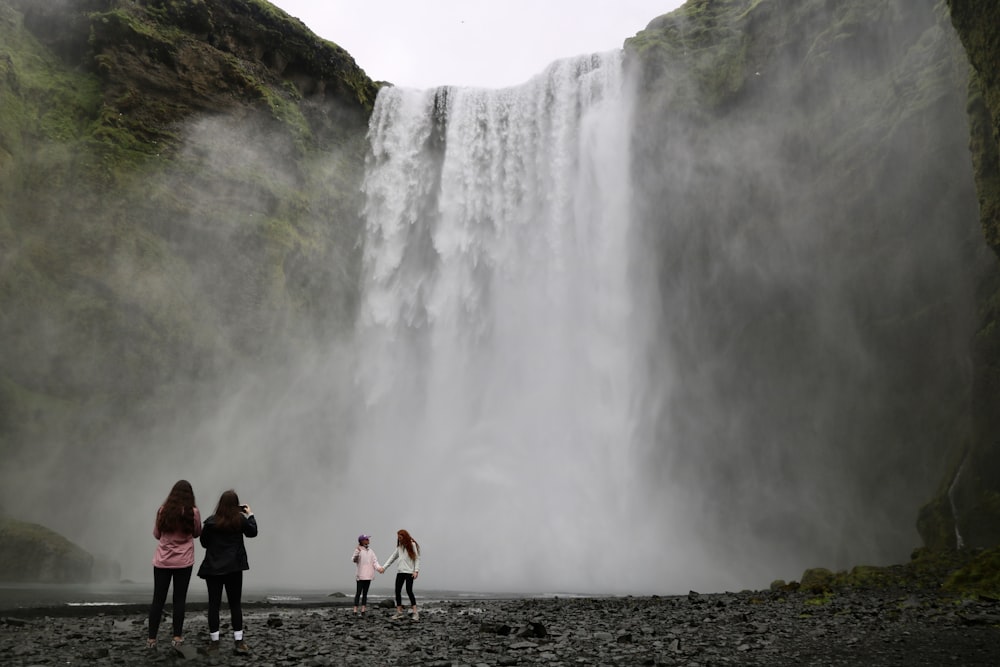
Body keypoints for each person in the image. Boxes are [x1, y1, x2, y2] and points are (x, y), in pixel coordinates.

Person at [197, 490, 258, 655]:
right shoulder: (239, 521)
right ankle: (239, 641)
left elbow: (203, 543)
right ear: (236, 506)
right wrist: (250, 514)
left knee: (213, 606)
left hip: (213, 569)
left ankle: (214, 643)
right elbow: (253, 532)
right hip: (234, 568)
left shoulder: (211, 522)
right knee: (235, 604)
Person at [147, 480, 201, 650]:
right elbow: (197, 532)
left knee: (158, 600)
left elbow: (156, 534)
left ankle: (151, 639)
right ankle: (177, 637)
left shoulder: (163, 511)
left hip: (162, 561)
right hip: (184, 562)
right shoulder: (193, 512)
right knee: (179, 599)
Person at [381, 529, 420, 620]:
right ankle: (399, 612)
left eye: (401, 538)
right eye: (398, 538)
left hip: (409, 572)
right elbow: (392, 557)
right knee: (397, 591)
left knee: (409, 591)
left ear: (405, 537)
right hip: (400, 572)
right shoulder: (399, 547)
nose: (399, 539)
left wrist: (416, 571)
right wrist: (384, 567)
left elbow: (417, 559)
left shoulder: (412, 544)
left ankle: (415, 612)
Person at [352, 534, 381, 616]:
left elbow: (375, 561)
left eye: (368, 539)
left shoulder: (371, 551)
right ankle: (355, 609)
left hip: (368, 575)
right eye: (366, 539)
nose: (368, 540)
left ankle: (363, 609)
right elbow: (354, 559)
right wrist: (357, 552)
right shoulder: (358, 550)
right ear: (362, 541)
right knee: (358, 593)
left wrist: (379, 568)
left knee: (365, 593)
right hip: (360, 575)